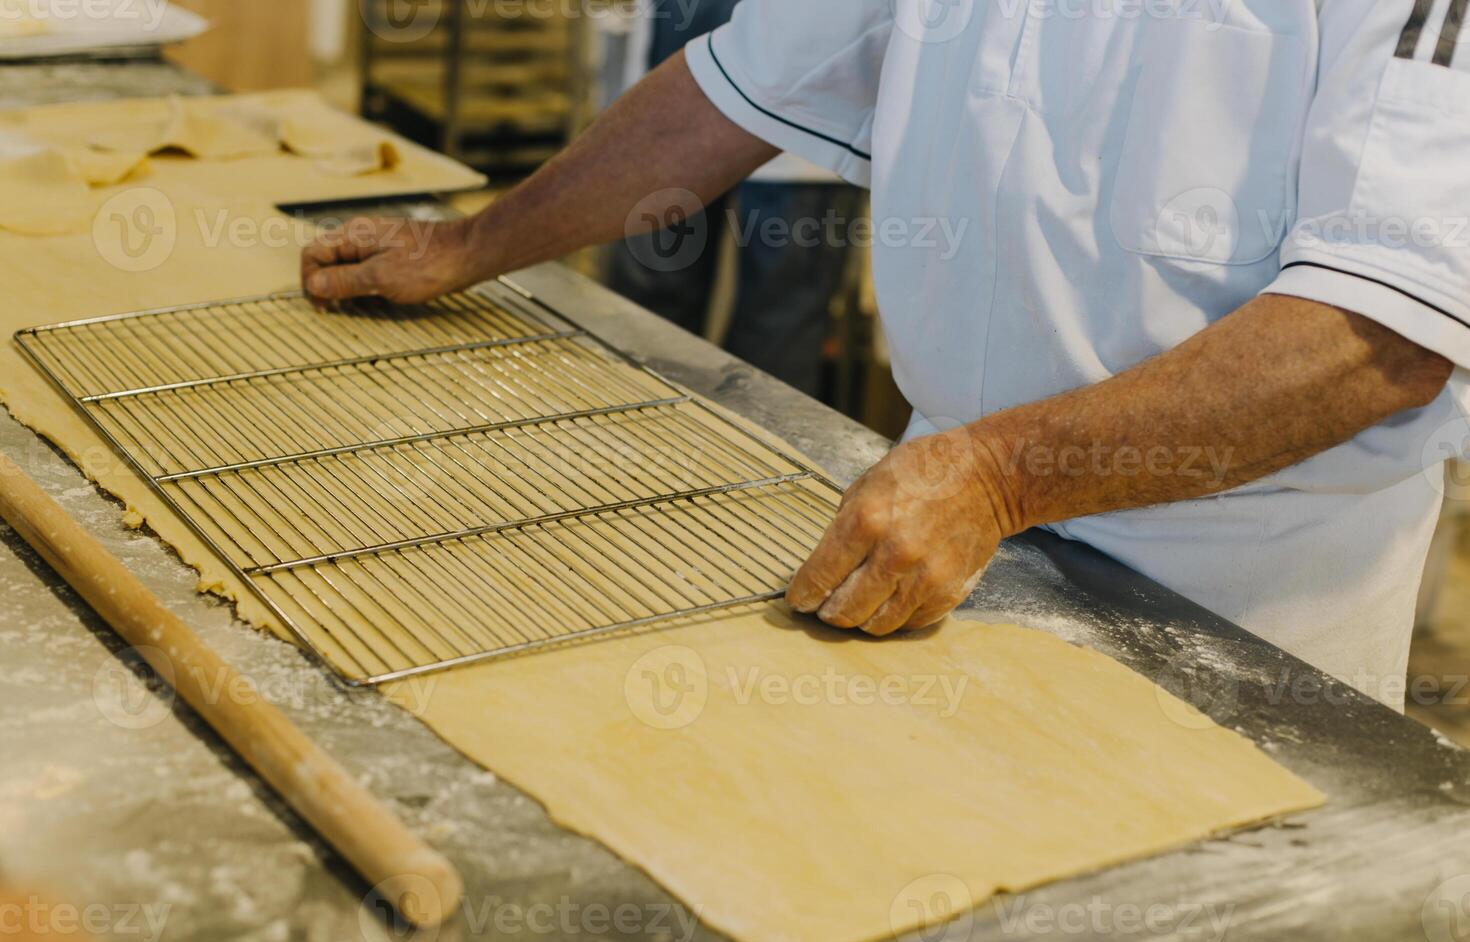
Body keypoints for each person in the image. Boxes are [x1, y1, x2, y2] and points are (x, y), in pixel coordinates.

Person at [303, 1, 1470, 709]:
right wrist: (470, 244)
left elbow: (1377, 332)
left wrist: (1004, 475)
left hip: (1242, 595)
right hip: (945, 529)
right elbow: (740, 85)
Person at [601, 0, 862, 397]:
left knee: (776, 344)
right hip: (673, 102)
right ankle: (626, 448)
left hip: (812, 124)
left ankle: (768, 459)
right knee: (647, 328)